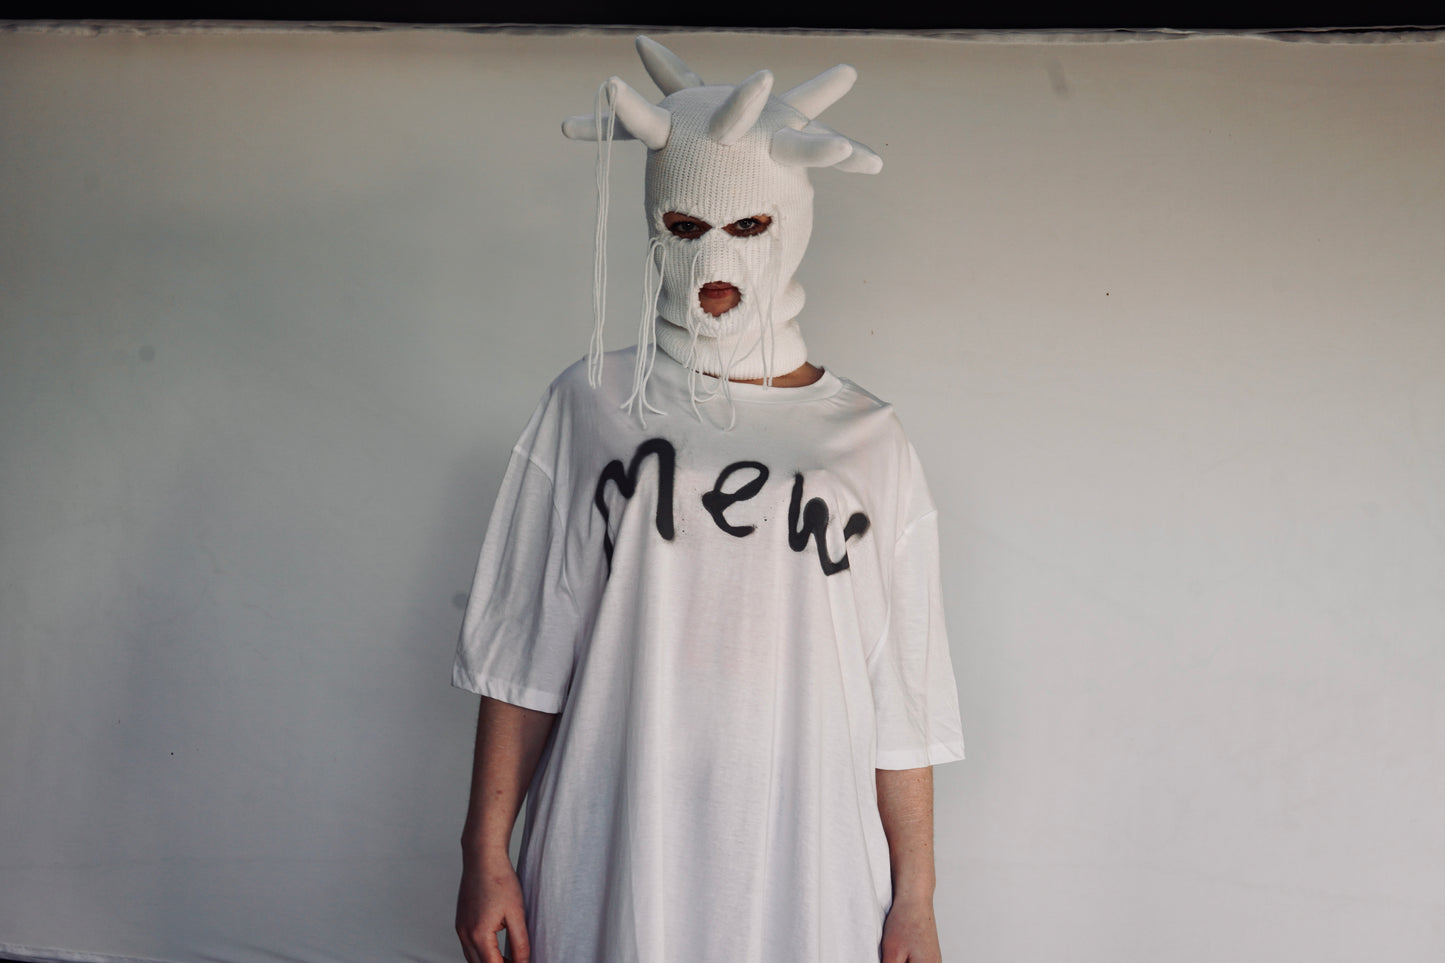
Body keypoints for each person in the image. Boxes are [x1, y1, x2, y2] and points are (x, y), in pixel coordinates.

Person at [453, 36, 964, 963]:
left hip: (810, 858)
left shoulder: (867, 437)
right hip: (610, 841)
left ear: (792, 220)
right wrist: (484, 853)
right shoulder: (590, 402)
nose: (715, 256)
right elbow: (524, 652)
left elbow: (903, 691)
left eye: (749, 223)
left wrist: (916, 897)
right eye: (685, 225)